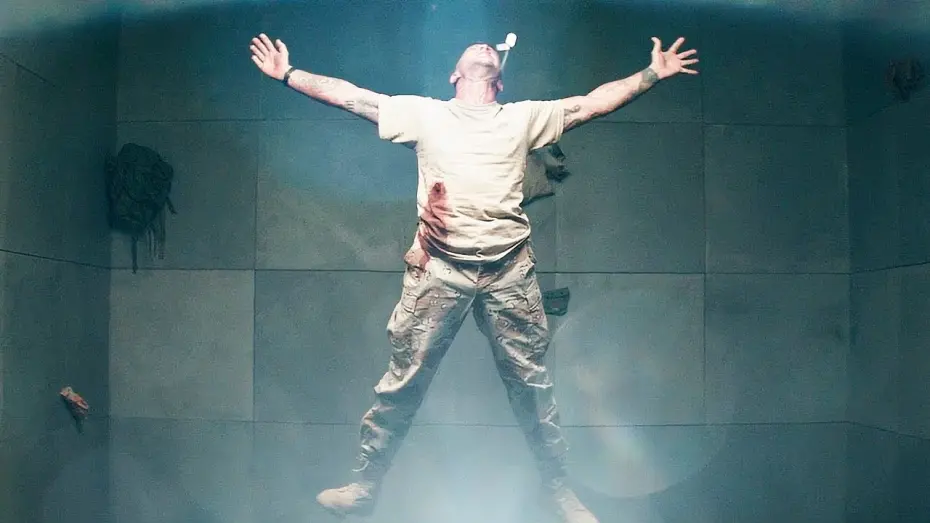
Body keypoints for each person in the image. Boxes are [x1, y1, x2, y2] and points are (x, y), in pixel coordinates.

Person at [249, 33, 698, 523]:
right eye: (473, 48)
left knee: (532, 388)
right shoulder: (426, 114)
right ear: (454, 75)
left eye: (489, 50)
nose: (484, 46)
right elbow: (353, 97)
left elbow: (591, 104)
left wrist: (652, 74)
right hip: (439, 269)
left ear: (499, 80)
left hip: (509, 270)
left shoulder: (523, 118)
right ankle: (365, 485)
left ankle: (558, 491)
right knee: (402, 384)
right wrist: (288, 74)